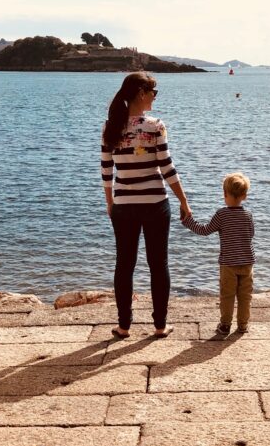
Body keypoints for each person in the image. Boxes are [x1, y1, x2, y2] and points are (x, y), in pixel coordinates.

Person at [101, 72, 191, 339]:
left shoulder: (111, 126)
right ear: (142, 92)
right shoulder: (155, 126)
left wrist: (110, 203)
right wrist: (184, 201)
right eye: (154, 92)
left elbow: (106, 171)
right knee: (158, 264)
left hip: (123, 206)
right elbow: (167, 168)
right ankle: (160, 326)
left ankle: (123, 326)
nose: (155, 97)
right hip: (154, 204)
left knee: (124, 265)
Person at [181, 172, 256, 335]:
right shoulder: (248, 215)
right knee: (245, 296)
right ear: (244, 196)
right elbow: (251, 234)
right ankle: (243, 325)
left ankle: (225, 325)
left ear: (225, 194)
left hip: (228, 263)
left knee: (227, 295)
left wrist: (188, 222)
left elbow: (204, 230)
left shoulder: (222, 214)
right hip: (247, 262)